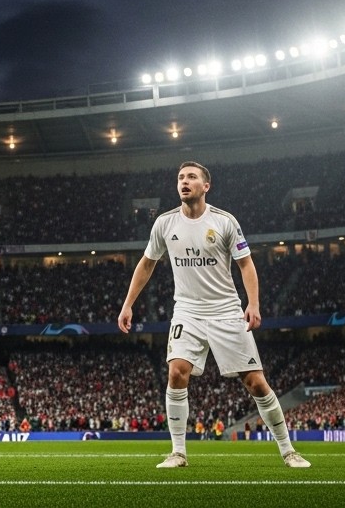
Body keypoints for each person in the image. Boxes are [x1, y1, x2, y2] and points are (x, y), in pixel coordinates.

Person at [117, 161, 310, 469]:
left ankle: (289, 451)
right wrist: (128, 304)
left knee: (256, 383)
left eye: (191, 177)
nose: (184, 181)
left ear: (206, 186)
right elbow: (146, 263)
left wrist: (253, 303)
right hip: (187, 311)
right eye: (180, 177)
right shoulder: (165, 223)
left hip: (226, 310)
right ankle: (178, 453)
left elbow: (246, 264)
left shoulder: (224, 221)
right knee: (176, 372)